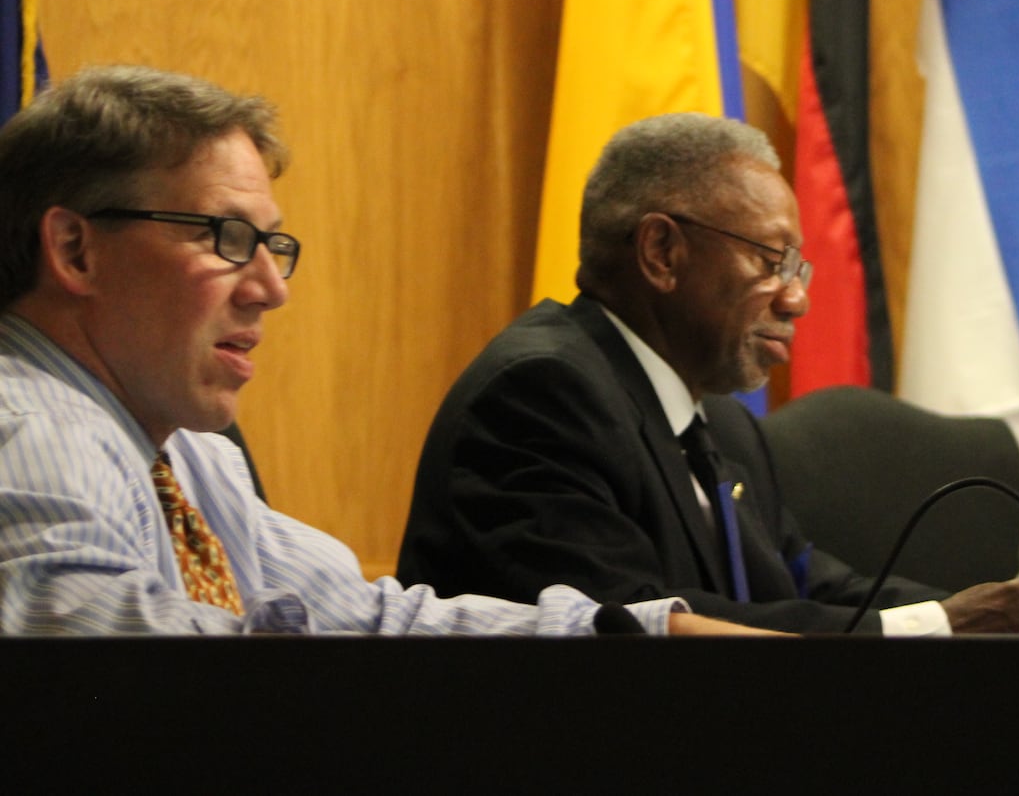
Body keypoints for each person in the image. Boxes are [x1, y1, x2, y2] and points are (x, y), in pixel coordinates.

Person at [0, 66, 757, 637]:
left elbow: (371, 619)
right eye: (226, 237)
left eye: (273, 245)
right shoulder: (31, 428)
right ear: (75, 249)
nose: (270, 287)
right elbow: (100, 665)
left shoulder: (193, 460)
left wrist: (649, 631)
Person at [398, 112, 1019, 634]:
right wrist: (938, 625)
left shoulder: (719, 418)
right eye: (769, 260)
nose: (796, 299)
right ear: (661, 253)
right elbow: (634, 624)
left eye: (797, 268)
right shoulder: (540, 397)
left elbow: (801, 580)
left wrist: (990, 610)